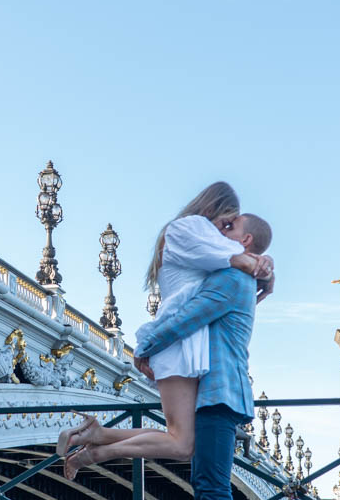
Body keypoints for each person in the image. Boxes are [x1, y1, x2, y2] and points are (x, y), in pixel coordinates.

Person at [56, 182, 271, 467]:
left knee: (182, 439)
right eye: (227, 221)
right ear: (213, 208)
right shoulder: (189, 228)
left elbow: (239, 253)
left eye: (230, 226)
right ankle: (94, 451)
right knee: (182, 444)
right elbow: (233, 256)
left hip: (185, 342)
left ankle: (95, 435)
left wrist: (263, 266)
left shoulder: (199, 233)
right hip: (175, 340)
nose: (224, 231)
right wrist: (263, 267)